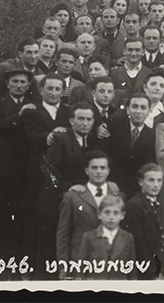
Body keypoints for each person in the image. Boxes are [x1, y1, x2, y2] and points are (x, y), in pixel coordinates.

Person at [32, 101, 99, 276]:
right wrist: (69, 187)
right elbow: (52, 170)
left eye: (89, 119)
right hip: (55, 196)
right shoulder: (61, 139)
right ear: (71, 121)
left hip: (78, 199)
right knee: (51, 243)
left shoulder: (92, 139)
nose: (85, 123)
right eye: (81, 119)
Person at [0, 68, 37, 263]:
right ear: (7, 84)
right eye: (15, 82)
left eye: (23, 82)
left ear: (28, 85)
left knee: (17, 213)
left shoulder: (33, 104)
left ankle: (10, 257)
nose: (19, 85)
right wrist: (19, 116)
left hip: (22, 166)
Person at [21, 73, 71, 256]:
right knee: (35, 214)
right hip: (38, 168)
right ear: (41, 90)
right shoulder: (32, 111)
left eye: (58, 89)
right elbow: (30, 137)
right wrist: (49, 136)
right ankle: (31, 260)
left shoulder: (68, 111)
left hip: (60, 170)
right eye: (49, 88)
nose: (53, 92)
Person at [55, 150, 122, 279]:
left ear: (108, 171)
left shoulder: (118, 196)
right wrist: (63, 267)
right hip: (81, 262)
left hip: (111, 264)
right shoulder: (72, 197)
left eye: (103, 168)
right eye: (94, 167)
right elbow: (63, 234)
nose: (98, 171)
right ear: (87, 170)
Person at [98, 93, 157, 198]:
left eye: (143, 108)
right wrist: (107, 181)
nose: (138, 111)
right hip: (110, 183)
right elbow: (101, 155)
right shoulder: (114, 126)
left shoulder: (152, 135)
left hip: (136, 188)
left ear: (149, 111)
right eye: (135, 107)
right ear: (128, 109)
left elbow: (148, 164)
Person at [123, 163, 164, 279]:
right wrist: (153, 271)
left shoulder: (160, 202)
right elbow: (138, 243)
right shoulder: (134, 206)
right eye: (151, 180)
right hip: (146, 268)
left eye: (159, 181)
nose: (156, 185)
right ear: (140, 182)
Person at [78, 194, 137, 280]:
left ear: (122, 215)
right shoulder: (89, 237)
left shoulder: (128, 237)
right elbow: (81, 269)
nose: (111, 217)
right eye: (107, 212)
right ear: (99, 214)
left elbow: (132, 271)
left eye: (116, 213)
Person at [0, 37, 43, 107]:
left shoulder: (40, 73)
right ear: (20, 54)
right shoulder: (6, 68)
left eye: (36, 52)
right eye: (29, 52)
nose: (33, 56)